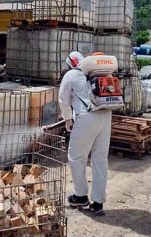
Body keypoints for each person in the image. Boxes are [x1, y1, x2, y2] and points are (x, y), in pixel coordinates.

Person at [58, 51, 112, 216]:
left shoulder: (71, 75)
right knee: (100, 160)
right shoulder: (100, 74)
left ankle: (80, 196)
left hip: (86, 117)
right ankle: (98, 203)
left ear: (70, 64)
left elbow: (63, 100)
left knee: (76, 157)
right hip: (106, 115)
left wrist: (67, 119)